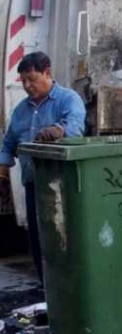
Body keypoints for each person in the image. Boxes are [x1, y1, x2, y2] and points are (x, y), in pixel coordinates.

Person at [0, 52, 86, 283]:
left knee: (64, 241)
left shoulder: (68, 99)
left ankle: (69, 293)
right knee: (39, 242)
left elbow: (76, 126)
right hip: (33, 186)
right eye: (23, 81)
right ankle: (45, 292)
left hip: (63, 188)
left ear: (47, 73)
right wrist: (2, 168)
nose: (27, 86)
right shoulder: (20, 111)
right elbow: (8, 143)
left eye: (32, 79)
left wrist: (58, 130)